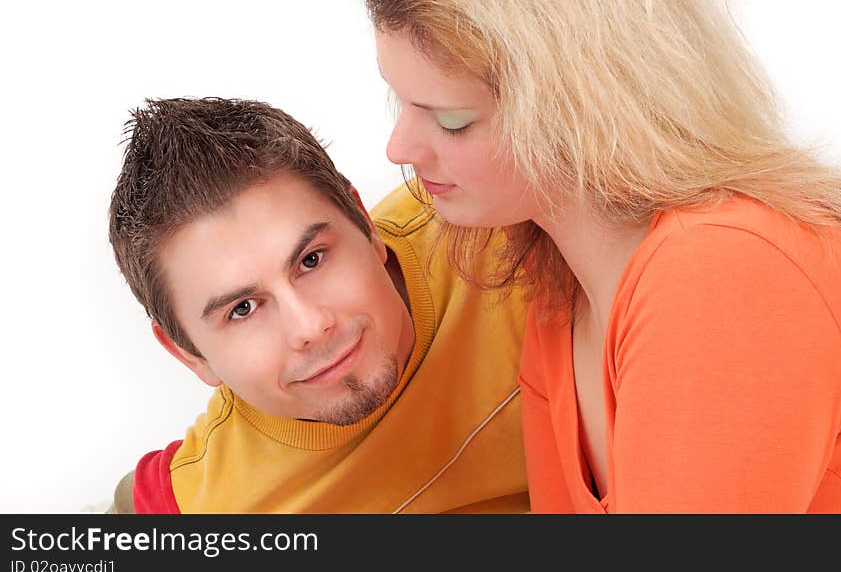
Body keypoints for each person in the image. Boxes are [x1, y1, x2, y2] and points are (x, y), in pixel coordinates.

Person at [356, 0, 841, 512]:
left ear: (586, 104)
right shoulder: (559, 293)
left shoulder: (723, 269)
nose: (399, 148)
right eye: (398, 99)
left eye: (452, 120)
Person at [106, 97, 529, 513]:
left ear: (365, 224)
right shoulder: (201, 506)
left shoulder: (504, 227)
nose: (309, 326)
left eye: (311, 260)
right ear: (189, 355)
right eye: (243, 309)